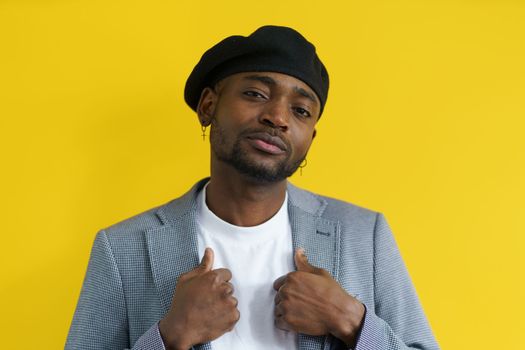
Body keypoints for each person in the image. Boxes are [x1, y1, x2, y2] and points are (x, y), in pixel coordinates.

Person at [66, 25, 439, 350]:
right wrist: (168, 338)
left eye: (301, 111)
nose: (277, 117)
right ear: (208, 106)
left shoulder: (365, 234)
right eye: (256, 94)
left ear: (311, 137)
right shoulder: (121, 247)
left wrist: (351, 321)